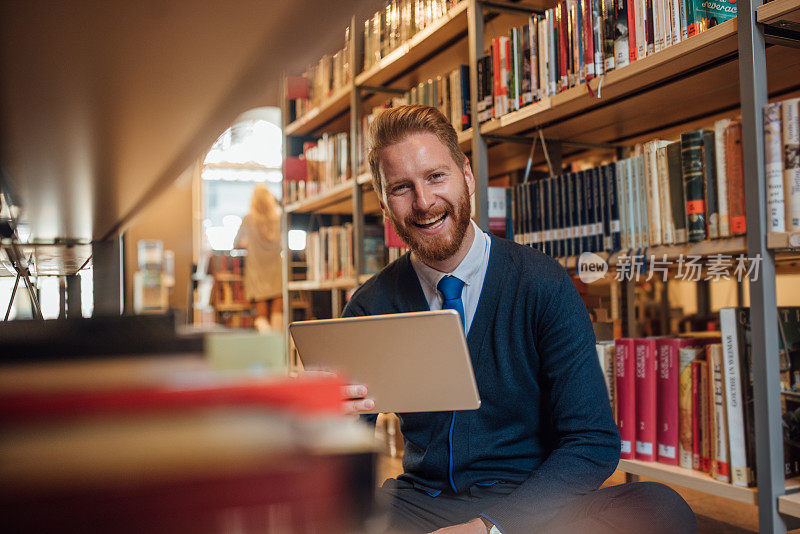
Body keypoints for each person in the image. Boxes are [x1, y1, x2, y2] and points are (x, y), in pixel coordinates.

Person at [342, 105, 696, 534]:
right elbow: (343, 460)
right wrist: (327, 418)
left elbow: (593, 442)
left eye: (436, 176)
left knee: (660, 509)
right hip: (422, 503)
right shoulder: (370, 306)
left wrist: (489, 528)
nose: (424, 201)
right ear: (384, 204)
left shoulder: (542, 284)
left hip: (532, 507)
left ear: (467, 176)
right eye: (402, 187)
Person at [234, 184, 283, 332]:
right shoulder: (278, 218)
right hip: (276, 268)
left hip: (257, 269)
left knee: (261, 313)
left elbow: (236, 243)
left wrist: (248, 243)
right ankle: (278, 347)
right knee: (278, 310)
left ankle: (266, 343)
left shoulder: (248, 219)